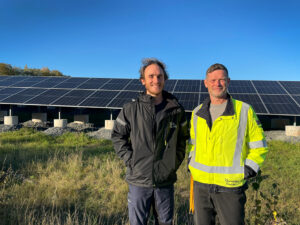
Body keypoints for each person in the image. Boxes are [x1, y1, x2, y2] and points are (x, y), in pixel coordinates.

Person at [188, 63, 268, 225]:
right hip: (200, 186)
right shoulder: (197, 113)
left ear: (228, 81)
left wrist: (249, 169)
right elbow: (193, 143)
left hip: (230, 187)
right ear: (205, 83)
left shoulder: (244, 110)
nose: (217, 84)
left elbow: (259, 145)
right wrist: (191, 162)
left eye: (221, 80)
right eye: (213, 80)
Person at [111, 58, 189, 225]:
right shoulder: (130, 109)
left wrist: (173, 163)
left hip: (165, 180)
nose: (156, 80)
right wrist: (131, 160)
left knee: (165, 222)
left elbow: (183, 140)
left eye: (160, 76)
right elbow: (118, 136)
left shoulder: (176, 110)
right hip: (139, 180)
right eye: (151, 76)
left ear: (165, 79)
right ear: (143, 81)